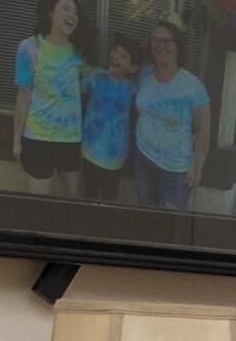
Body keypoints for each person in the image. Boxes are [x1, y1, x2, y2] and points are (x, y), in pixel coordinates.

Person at [129, 21, 212, 209]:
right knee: (146, 213)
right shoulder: (144, 74)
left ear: (178, 46)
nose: (161, 45)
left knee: (171, 223)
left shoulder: (192, 85)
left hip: (176, 169)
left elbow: (202, 130)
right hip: (143, 159)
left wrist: (197, 167)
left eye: (167, 40)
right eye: (156, 40)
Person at [11, 0, 88, 189]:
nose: (72, 15)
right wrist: (16, 141)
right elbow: (23, 97)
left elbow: (91, 84)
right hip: (38, 138)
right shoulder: (29, 47)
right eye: (66, 8)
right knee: (39, 205)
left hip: (71, 138)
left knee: (74, 198)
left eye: (75, 12)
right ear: (51, 12)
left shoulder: (80, 51)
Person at [77, 35, 139, 204]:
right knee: (88, 197)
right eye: (115, 51)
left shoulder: (133, 89)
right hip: (89, 152)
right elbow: (74, 92)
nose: (116, 56)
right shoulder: (96, 76)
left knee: (109, 200)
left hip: (115, 158)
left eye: (123, 56)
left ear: (132, 68)